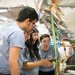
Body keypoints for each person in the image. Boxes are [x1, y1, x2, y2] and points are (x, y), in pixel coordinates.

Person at [0, 6, 38, 75]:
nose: (33, 27)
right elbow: (13, 62)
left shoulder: (8, 27)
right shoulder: (17, 32)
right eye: (33, 24)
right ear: (27, 21)